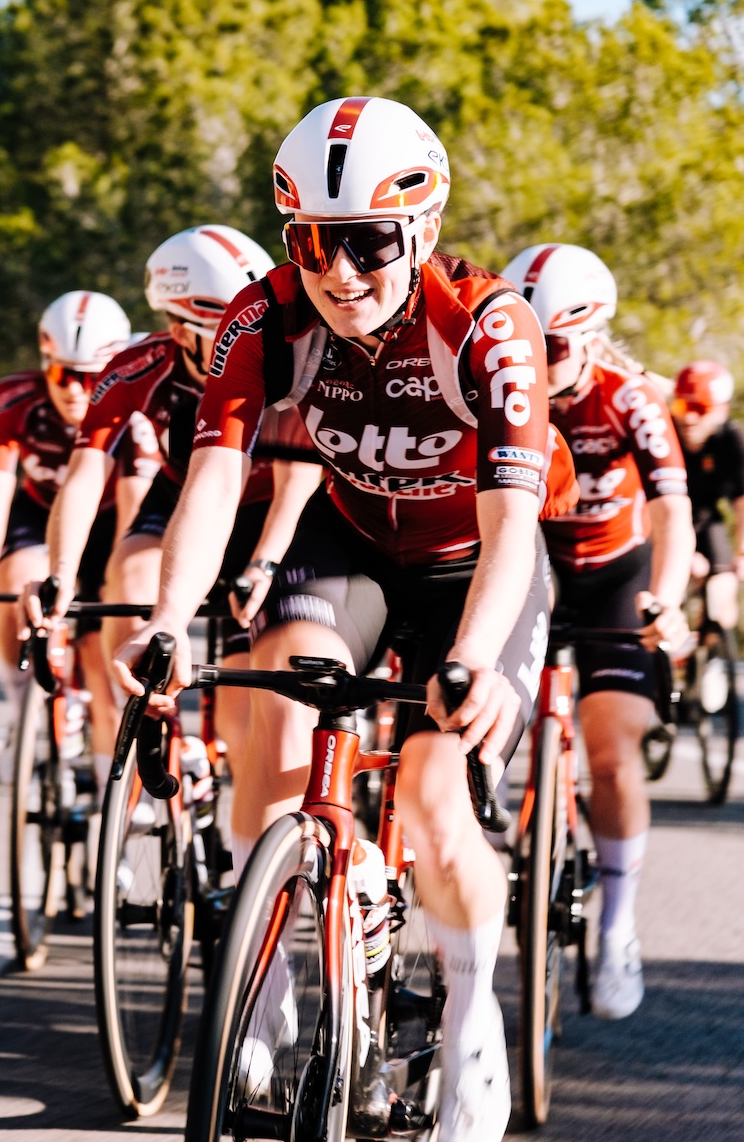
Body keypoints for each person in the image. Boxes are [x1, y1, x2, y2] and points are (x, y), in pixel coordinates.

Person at [117, 95, 562, 1141]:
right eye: (313, 241)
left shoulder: (490, 327)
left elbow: (511, 531)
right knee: (280, 696)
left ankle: (469, 1017)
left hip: (472, 567)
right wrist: (169, 620)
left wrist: (476, 662)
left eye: (366, 243)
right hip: (354, 542)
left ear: (423, 229)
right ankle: (267, 976)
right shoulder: (264, 316)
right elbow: (214, 483)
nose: (339, 272)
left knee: (431, 786)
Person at [30, 224, 322, 856]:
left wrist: (266, 559)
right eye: (224, 322)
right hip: (184, 499)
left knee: (253, 722)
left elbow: (303, 472)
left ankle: (248, 848)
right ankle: (153, 721)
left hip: (275, 513)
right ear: (180, 323)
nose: (249, 330)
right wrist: (58, 571)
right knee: (128, 579)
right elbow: (85, 475)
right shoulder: (137, 367)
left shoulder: (286, 357)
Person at [503, 242, 693, 1019]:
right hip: (532, 565)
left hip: (617, 574)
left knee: (611, 749)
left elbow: (673, 508)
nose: (536, 362)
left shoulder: (629, 398)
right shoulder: (502, 387)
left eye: (551, 346)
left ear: (587, 336)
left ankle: (618, 927)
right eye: (525, 341)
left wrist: (669, 600)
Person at [0, 290, 147, 754]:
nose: (73, 390)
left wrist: (116, 587)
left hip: (108, 525)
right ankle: (20, 705)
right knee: (16, 581)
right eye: (61, 374)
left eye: (89, 378)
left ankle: (115, 787)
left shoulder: (134, 411)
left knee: (104, 655)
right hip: (38, 511)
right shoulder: (14, 399)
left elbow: (134, 509)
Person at [670, 359, 744, 631]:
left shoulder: (732, 440)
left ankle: (710, 653)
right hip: (659, 518)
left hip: (704, 518)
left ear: (721, 411)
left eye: (699, 409)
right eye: (681, 406)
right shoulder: (662, 433)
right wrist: (683, 554)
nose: (688, 417)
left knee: (722, 589)